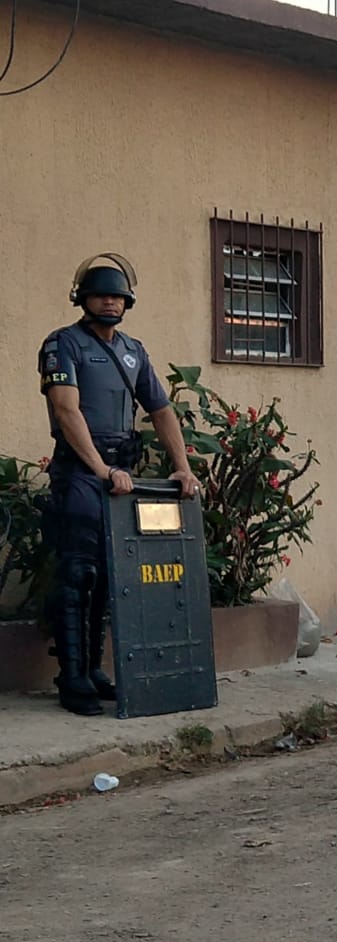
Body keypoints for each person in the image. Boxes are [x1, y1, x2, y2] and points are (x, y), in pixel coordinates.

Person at [39, 254, 200, 716]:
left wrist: (182, 466)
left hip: (121, 477)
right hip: (82, 474)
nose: (109, 301)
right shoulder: (62, 344)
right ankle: (71, 677)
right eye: (100, 294)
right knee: (77, 574)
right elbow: (67, 411)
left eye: (116, 295)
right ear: (82, 298)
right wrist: (101, 470)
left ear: (127, 301)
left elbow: (161, 409)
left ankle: (93, 668)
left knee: (111, 576)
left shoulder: (134, 350)